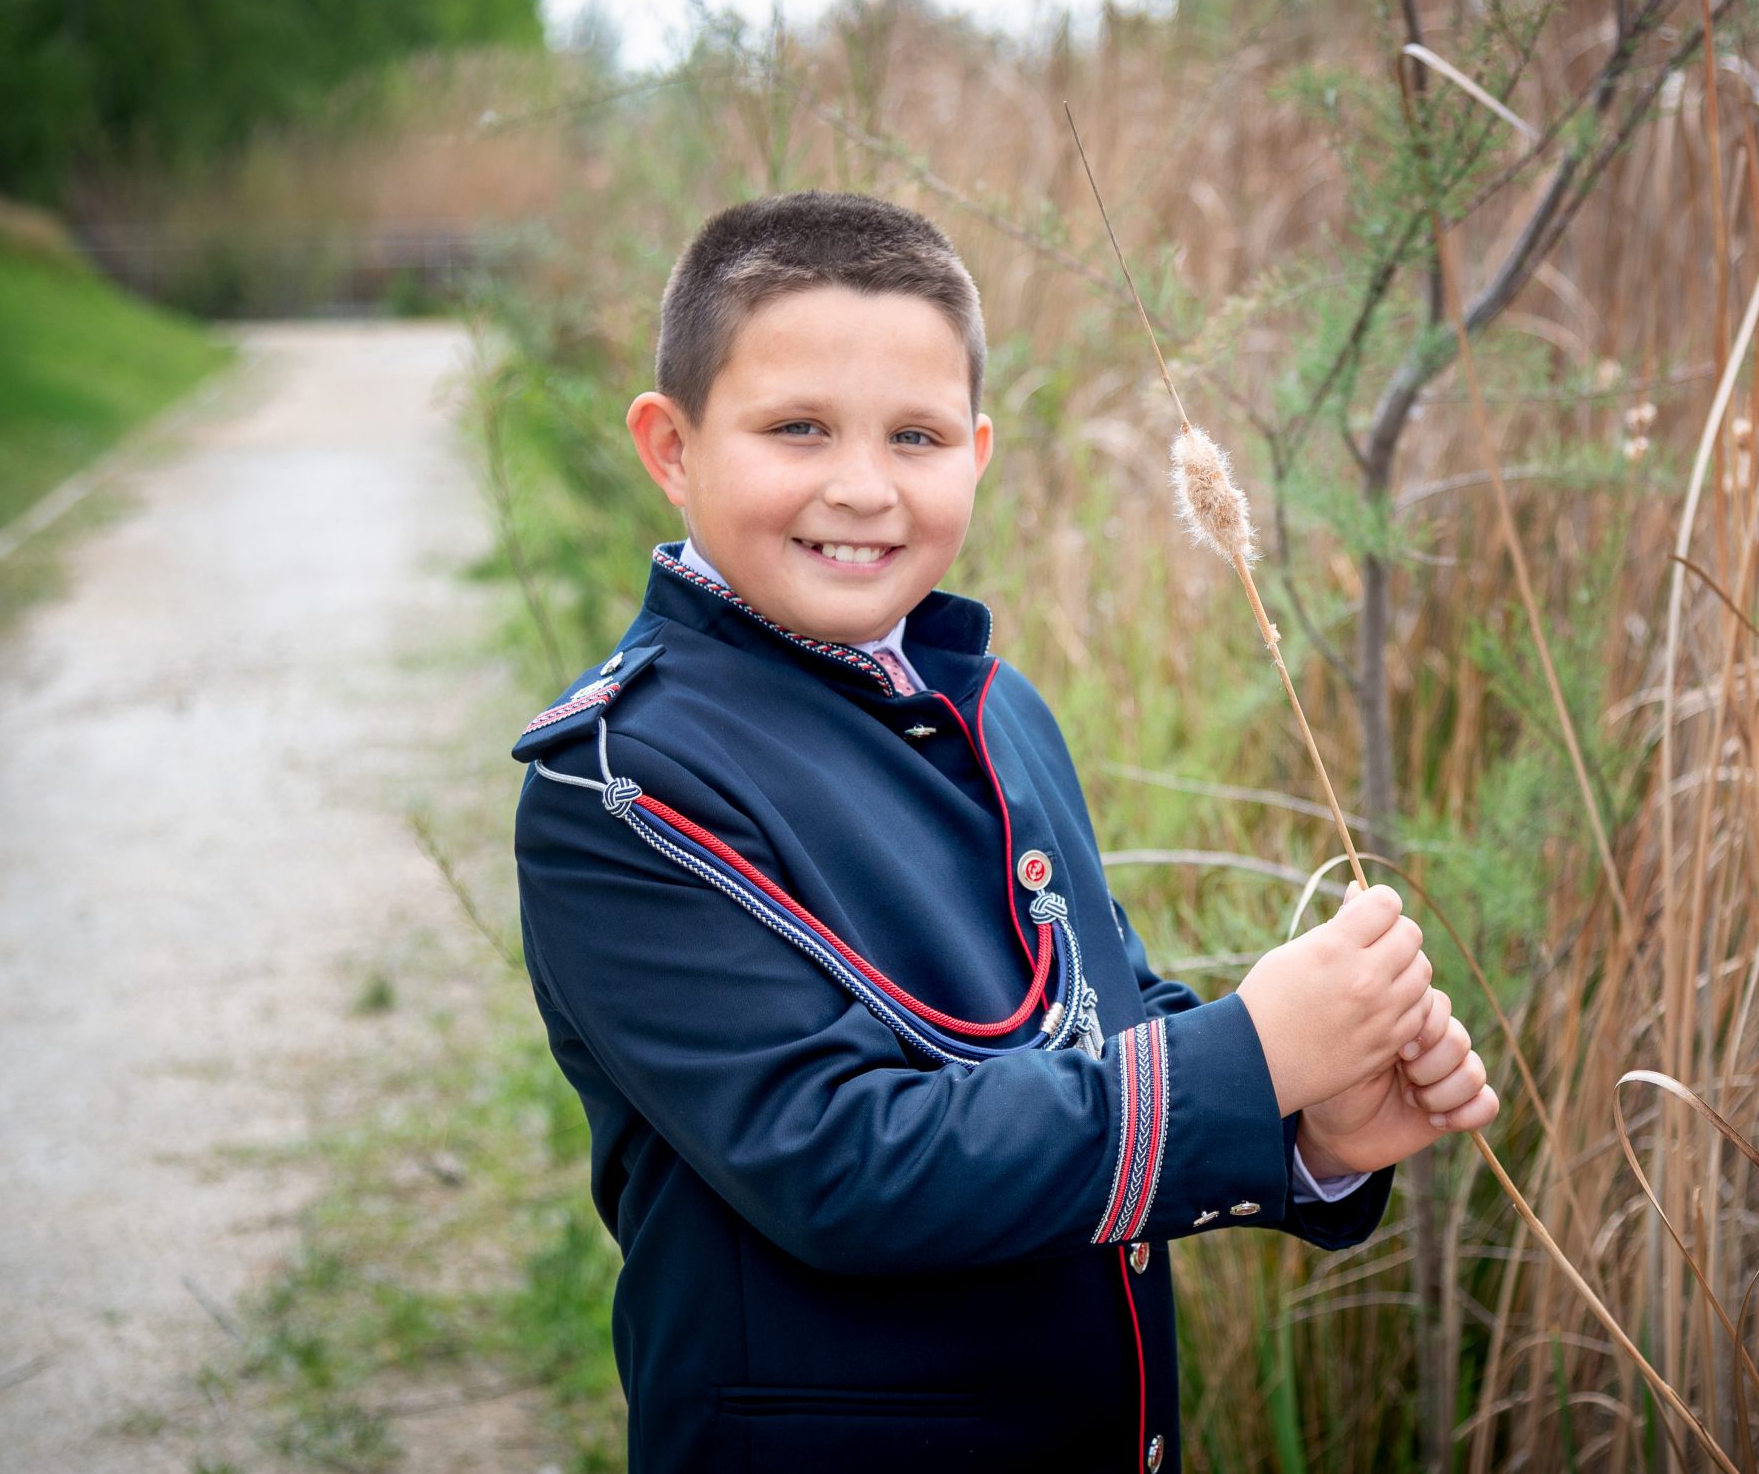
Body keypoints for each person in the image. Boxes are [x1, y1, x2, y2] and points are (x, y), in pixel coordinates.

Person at [511, 191, 1499, 1470]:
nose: (861, 486)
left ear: (976, 454)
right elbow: (841, 1163)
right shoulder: (621, 778)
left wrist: (1309, 1126)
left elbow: (1104, 1021)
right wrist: (1248, 1058)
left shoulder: (994, 704)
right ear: (671, 444)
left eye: (915, 435)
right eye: (798, 426)